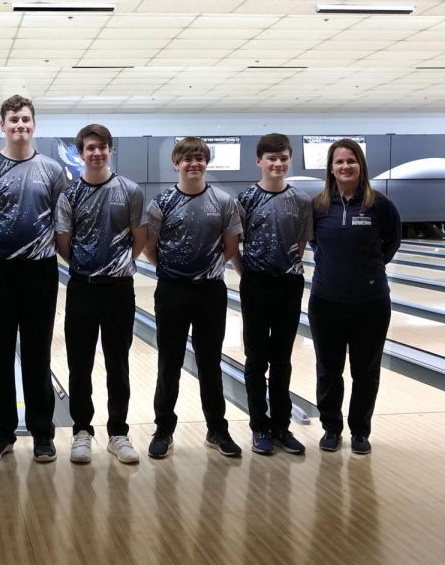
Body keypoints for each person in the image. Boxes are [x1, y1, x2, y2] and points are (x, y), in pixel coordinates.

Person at [0, 95, 67, 464]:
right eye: (13, 120)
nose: (20, 126)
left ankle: (42, 433)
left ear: (34, 124)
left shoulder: (54, 170)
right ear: (2, 125)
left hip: (40, 271)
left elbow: (61, 220)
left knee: (38, 355)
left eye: (25, 120)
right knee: (0, 354)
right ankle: (1, 433)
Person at [143, 136, 243, 459]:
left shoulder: (224, 202)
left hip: (211, 292)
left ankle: (217, 429)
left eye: (199, 158)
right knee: (168, 362)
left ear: (206, 162)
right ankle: (163, 430)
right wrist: (176, 273)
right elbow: (150, 248)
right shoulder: (161, 204)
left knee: (210, 362)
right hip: (172, 291)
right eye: (187, 159)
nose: (194, 163)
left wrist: (203, 272)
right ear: (176, 163)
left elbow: (230, 247)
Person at [54, 124, 147, 465]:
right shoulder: (69, 195)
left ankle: (118, 433)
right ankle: (82, 431)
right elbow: (63, 241)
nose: (96, 152)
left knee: (117, 364)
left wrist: (116, 266)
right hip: (82, 288)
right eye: (90, 148)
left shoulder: (130, 191)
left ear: (110, 150)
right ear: (81, 153)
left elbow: (139, 238)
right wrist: (86, 266)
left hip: (119, 289)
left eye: (102, 147)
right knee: (80, 365)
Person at [308, 138, 400, 454]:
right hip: (326, 303)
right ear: (331, 169)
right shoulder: (319, 206)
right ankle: (331, 428)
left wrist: (367, 273)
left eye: (351, 161)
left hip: (371, 304)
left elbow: (390, 245)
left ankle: (360, 432)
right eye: (339, 162)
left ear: (360, 165)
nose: (345, 166)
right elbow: (315, 245)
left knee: (365, 371)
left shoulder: (381, 206)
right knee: (328, 370)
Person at [232, 133, 312, 455]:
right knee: (256, 359)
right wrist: (246, 275)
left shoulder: (302, 200)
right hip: (255, 285)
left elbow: (302, 244)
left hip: (289, 285)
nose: (278, 163)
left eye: (283, 158)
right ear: (259, 161)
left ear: (289, 159)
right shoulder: (245, 198)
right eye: (271, 158)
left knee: (282, 360)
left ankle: (281, 426)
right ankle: (259, 428)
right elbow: (233, 245)